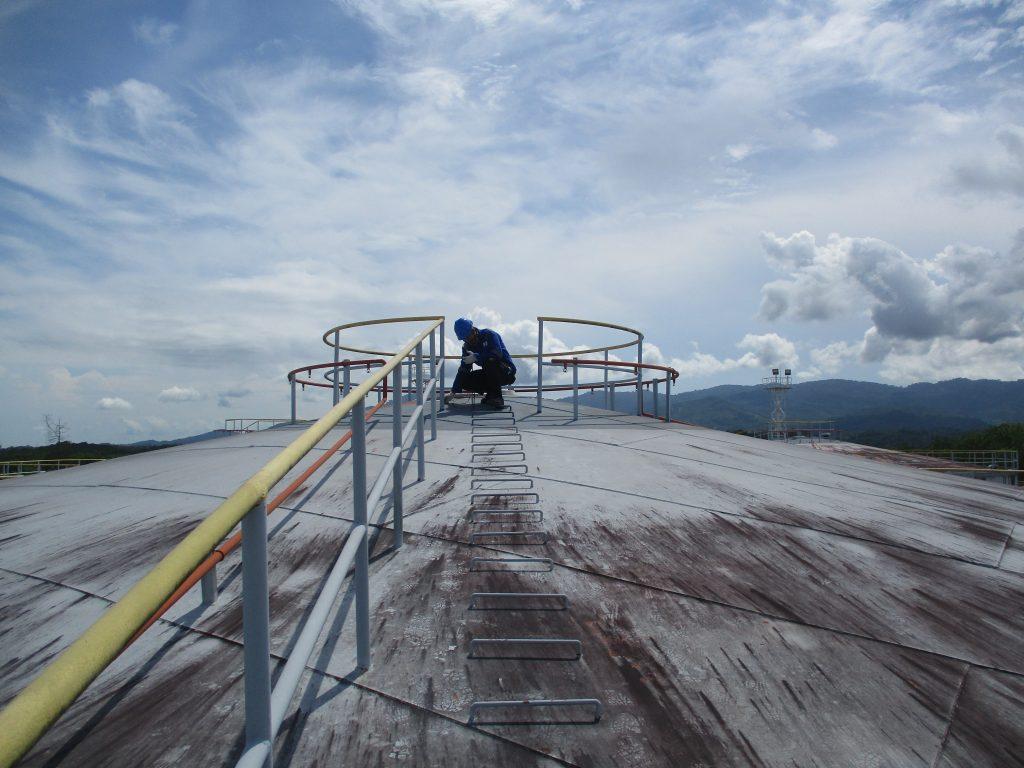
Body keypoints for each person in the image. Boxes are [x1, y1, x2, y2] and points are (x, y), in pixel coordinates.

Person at [446, 317, 516, 408]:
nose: (467, 340)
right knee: (465, 380)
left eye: (467, 336)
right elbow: (463, 369)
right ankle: (491, 395)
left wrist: (476, 357)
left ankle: (497, 397)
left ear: (472, 330)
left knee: (490, 361)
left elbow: (497, 354)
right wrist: (453, 392)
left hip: (505, 372)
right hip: (490, 374)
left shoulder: (489, 335)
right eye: (464, 339)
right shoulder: (467, 347)